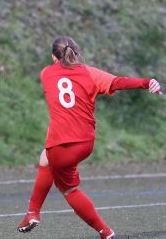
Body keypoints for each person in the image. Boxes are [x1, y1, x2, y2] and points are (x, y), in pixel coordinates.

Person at [17, 36, 162, 238]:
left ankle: (104, 231)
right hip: (86, 142)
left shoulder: (46, 73)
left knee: (69, 189)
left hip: (62, 143)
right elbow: (118, 82)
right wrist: (147, 83)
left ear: (53, 57)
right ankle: (33, 213)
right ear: (76, 53)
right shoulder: (89, 72)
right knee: (46, 159)